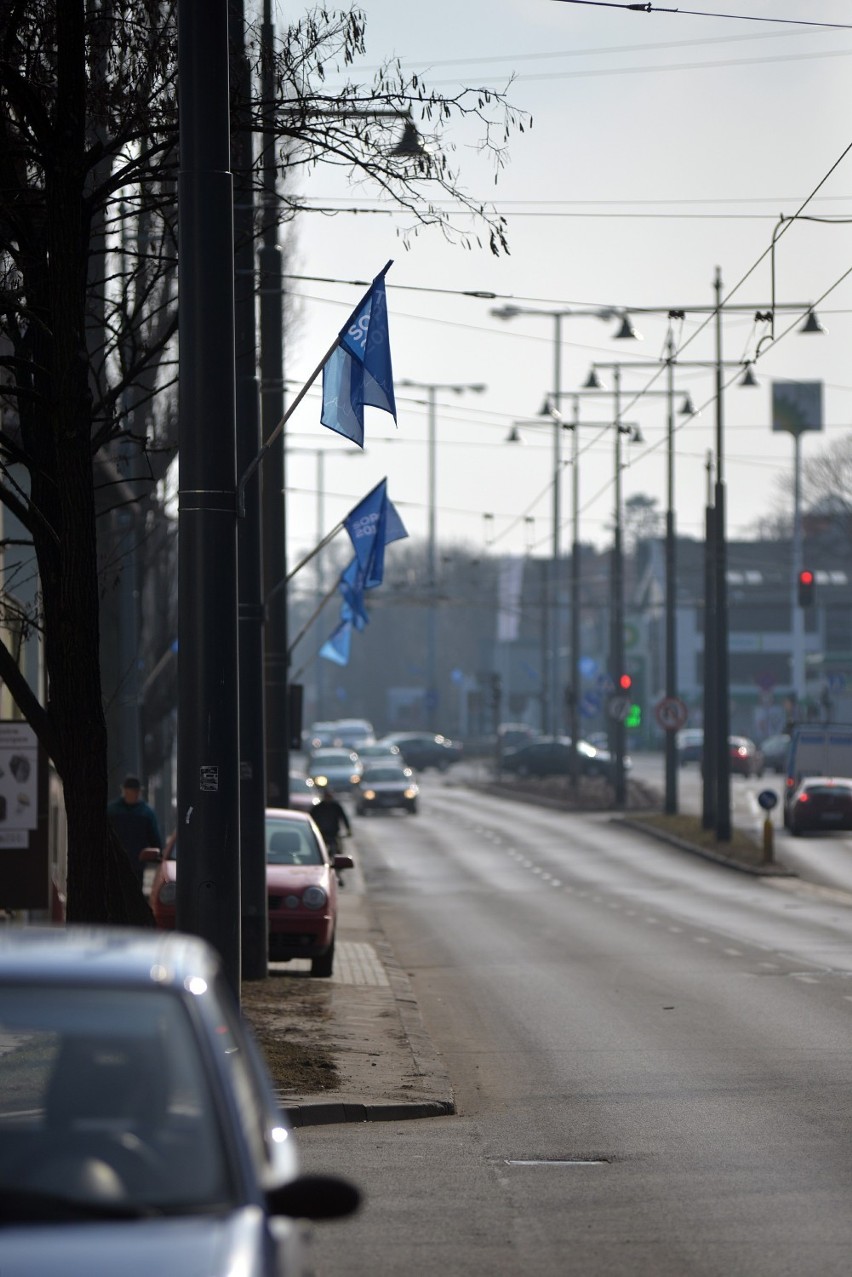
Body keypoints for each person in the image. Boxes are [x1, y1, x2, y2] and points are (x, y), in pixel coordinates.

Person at [107, 775, 163, 886]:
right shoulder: (111, 811)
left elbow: (154, 837)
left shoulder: (146, 813)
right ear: (124, 791)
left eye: (137, 791)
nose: (135, 794)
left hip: (137, 863)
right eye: (132, 791)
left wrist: (158, 853)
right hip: (115, 862)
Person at [312, 787, 351, 884]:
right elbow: (311, 819)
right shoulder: (318, 808)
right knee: (320, 855)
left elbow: (344, 818)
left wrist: (348, 829)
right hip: (321, 835)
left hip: (334, 834)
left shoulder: (336, 806)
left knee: (337, 855)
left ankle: (337, 875)